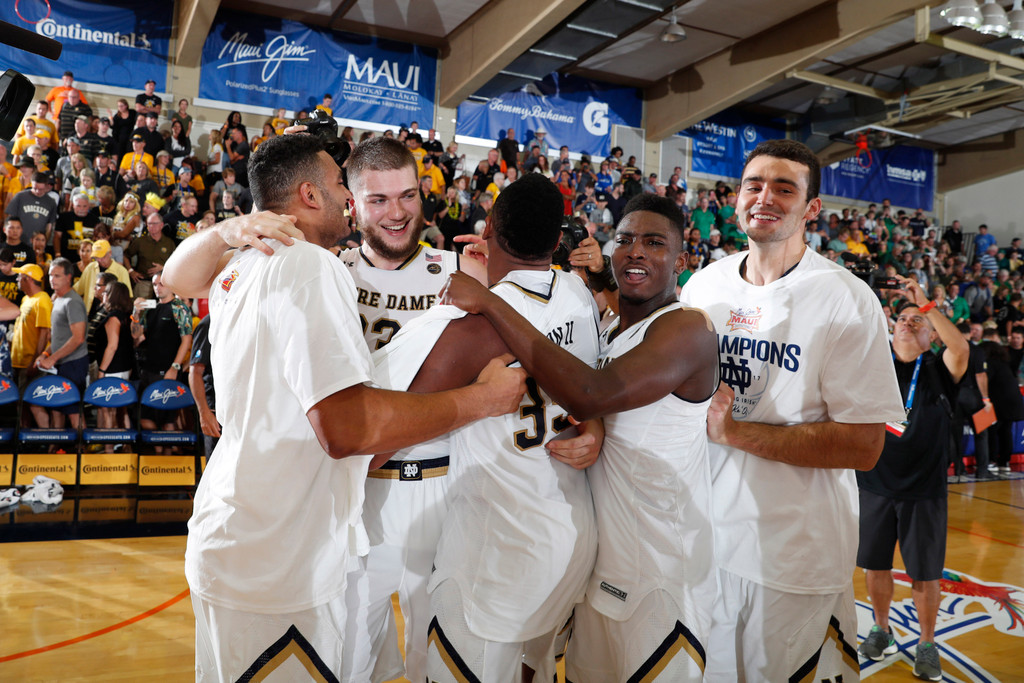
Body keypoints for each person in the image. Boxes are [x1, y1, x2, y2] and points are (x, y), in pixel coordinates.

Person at [160, 133, 526, 682]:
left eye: (406, 196)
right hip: (333, 503)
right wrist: (481, 400)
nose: (392, 211)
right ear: (329, 196)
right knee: (353, 661)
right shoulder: (315, 262)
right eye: (367, 197)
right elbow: (345, 426)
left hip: (408, 487)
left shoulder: (453, 267)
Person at [440, 192, 720, 681]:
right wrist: (591, 431)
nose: (635, 251)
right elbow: (587, 403)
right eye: (626, 239)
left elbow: (592, 392)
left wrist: (490, 300)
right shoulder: (609, 326)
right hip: (595, 567)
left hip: (662, 571)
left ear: (684, 258)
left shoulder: (688, 330)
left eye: (654, 243)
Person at [354, 172, 599, 683]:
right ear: (558, 241)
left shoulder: (468, 327)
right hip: (572, 532)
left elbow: (384, 435)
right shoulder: (579, 294)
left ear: (488, 228)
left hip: (497, 550)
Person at [678, 139, 904, 682]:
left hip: (794, 559)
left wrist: (736, 433)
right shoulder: (703, 286)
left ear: (812, 208)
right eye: (755, 184)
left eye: (785, 188)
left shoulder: (845, 298)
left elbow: (864, 446)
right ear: (736, 198)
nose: (766, 197)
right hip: (706, 547)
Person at [856, 280, 969, 682]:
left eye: (916, 321)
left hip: (924, 491)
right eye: (902, 319)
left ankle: (926, 643)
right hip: (874, 484)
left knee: (925, 573)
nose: (907, 323)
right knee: (874, 566)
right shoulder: (874, 362)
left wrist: (927, 303)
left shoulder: (940, 367)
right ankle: (882, 630)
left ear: (930, 334)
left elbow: (961, 348)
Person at [36, 258, 89, 428]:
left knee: (73, 412)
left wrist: (52, 358)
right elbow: (60, 337)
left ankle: (83, 451)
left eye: (57, 275)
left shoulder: (72, 302)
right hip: (61, 362)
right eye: (50, 275)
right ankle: (56, 449)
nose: (52, 279)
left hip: (73, 363)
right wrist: (46, 354)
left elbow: (78, 337)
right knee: (56, 408)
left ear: (69, 277)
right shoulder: (58, 299)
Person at [10, 263, 52, 389]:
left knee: (28, 404)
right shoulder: (26, 299)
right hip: (17, 361)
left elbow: (45, 333)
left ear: (27, 278)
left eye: (19, 276)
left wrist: (35, 362)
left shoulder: (42, 300)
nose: (17, 279)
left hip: (30, 363)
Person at [124, 213, 175, 299]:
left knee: (160, 309)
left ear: (161, 225)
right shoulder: (140, 241)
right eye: (149, 224)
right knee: (142, 309)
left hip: (163, 285)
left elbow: (175, 263)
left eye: (155, 223)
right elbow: (125, 255)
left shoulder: (169, 243)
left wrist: (163, 268)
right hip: (144, 283)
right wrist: (131, 271)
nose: (152, 226)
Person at [73, 239, 132, 312]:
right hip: (88, 312)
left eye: (102, 257)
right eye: (97, 257)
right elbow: (79, 288)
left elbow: (126, 297)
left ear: (110, 253)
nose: (99, 260)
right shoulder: (90, 267)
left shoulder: (121, 271)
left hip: (109, 313)